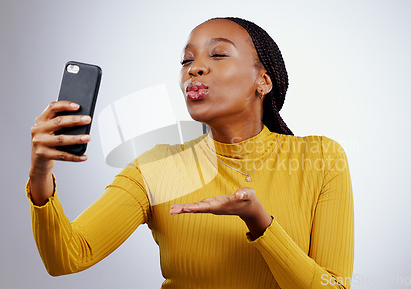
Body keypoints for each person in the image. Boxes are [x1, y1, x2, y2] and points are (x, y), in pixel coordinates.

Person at [27, 17, 354, 289]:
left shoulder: (322, 159)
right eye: (187, 60)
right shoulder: (156, 168)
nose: (194, 68)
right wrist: (40, 175)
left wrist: (259, 222)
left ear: (263, 80)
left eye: (219, 55)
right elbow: (68, 257)